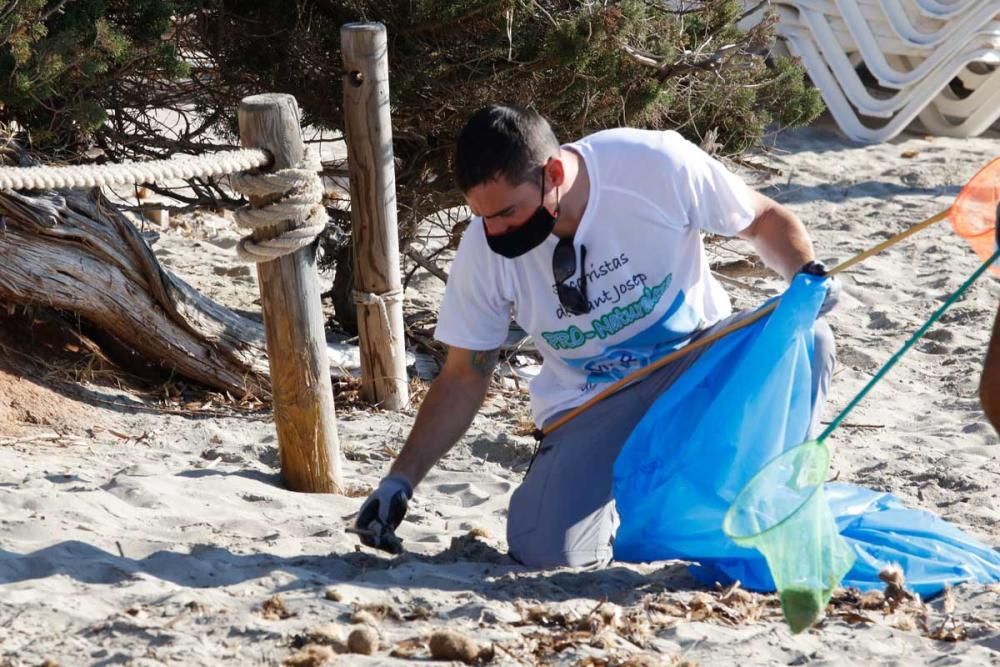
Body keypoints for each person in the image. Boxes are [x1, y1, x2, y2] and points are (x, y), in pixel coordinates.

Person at [353, 104, 840, 568]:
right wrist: (400, 480)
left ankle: (775, 502)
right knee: (547, 555)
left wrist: (806, 273)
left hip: (698, 364)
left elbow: (762, 219)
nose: (495, 231)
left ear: (555, 175)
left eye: (507, 213)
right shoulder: (485, 248)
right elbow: (463, 376)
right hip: (591, 405)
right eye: (483, 216)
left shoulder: (653, 164)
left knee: (809, 336)